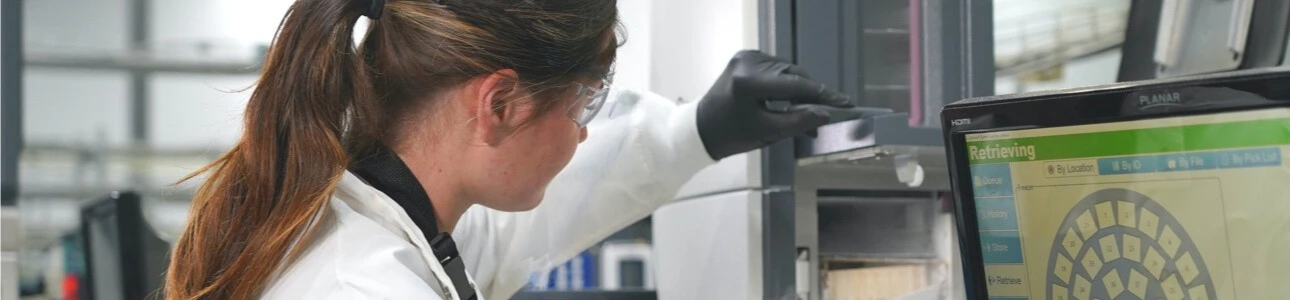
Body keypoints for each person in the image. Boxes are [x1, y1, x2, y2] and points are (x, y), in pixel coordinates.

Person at [162, 0, 852, 299]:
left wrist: (699, 130)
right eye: (581, 103)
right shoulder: (366, 288)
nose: (584, 131)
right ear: (498, 104)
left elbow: (536, 220)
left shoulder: (378, 223)